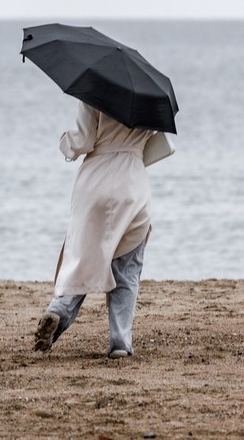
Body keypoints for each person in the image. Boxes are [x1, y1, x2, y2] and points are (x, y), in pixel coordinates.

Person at [33, 101, 156, 359]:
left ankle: (58, 310)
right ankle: (120, 342)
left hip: (96, 181)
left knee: (83, 258)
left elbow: (82, 140)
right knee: (127, 268)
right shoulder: (151, 97)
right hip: (133, 185)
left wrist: (64, 141)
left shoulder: (96, 93)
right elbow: (158, 144)